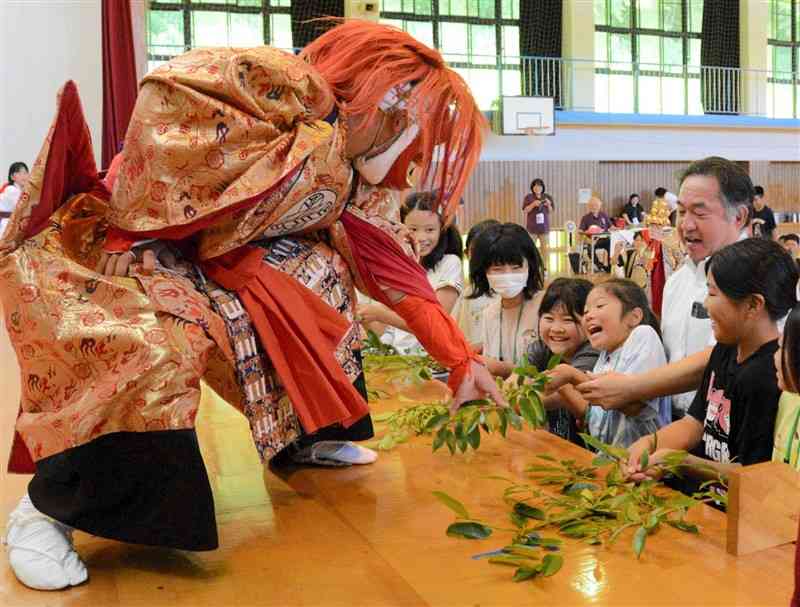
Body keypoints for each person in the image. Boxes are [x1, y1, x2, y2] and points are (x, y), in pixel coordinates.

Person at [0, 21, 505, 591]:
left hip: (213, 267)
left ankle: (305, 437)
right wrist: (131, 227)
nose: (414, 149)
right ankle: (47, 512)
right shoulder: (292, 88)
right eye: (413, 125)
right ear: (383, 100)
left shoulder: (349, 183)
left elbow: (394, 276)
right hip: (127, 250)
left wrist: (462, 360)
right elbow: (167, 94)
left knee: (323, 275)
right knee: (158, 349)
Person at [577, 157, 753, 420]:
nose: (686, 225)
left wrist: (633, 387)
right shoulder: (678, 280)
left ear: (739, 216)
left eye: (700, 212)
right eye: (682, 212)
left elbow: (719, 359)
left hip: (729, 426)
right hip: (676, 425)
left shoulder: (757, 276)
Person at [625, 239, 797, 490]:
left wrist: (681, 462)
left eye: (713, 293)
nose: (705, 304)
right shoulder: (725, 349)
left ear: (753, 305)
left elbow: (754, 474)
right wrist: (650, 443)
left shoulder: (767, 376)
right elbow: (695, 422)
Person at [547, 278, 670, 448]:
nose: (588, 316)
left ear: (634, 317)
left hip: (645, 464)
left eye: (599, 306)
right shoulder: (605, 355)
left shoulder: (642, 336)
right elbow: (598, 413)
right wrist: (565, 387)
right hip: (612, 461)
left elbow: (635, 405)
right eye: (585, 311)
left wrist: (572, 375)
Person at [358, 192, 464, 354]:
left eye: (430, 230)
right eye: (413, 229)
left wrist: (380, 314)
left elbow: (434, 326)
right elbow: (383, 331)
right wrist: (367, 318)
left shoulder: (449, 263)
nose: (421, 237)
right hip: (397, 360)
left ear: (442, 230)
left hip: (435, 359)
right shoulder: (395, 266)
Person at [523, 278, 598, 445]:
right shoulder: (540, 349)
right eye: (549, 318)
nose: (556, 329)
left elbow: (556, 397)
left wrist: (511, 399)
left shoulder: (592, 352)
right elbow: (515, 382)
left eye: (568, 320)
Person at [470, 223, 544, 378]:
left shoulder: (545, 306)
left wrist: (501, 368)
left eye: (516, 267)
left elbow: (550, 371)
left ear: (529, 266)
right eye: (497, 269)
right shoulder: (490, 314)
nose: (508, 275)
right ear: (484, 272)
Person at [456, 219, 500, 347]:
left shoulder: (509, 289)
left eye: (489, 252)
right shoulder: (469, 293)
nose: (483, 259)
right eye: (476, 253)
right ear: (466, 254)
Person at [521, 178, 554, 267]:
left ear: (543, 187)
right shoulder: (528, 197)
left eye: (539, 186)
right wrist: (533, 204)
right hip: (532, 228)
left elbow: (551, 211)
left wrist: (549, 204)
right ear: (532, 188)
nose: (537, 188)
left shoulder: (547, 197)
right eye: (535, 186)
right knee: (530, 249)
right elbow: (525, 210)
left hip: (544, 228)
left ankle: (545, 268)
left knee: (545, 250)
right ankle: (531, 267)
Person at [579, 197, 612, 272]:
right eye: (592, 205)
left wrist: (617, 228)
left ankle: (610, 267)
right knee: (590, 248)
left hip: (604, 239)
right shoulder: (585, 218)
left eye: (596, 205)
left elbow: (611, 226)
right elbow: (580, 231)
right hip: (592, 241)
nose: (594, 207)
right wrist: (586, 232)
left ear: (599, 206)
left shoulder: (604, 215)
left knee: (611, 244)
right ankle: (600, 266)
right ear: (589, 207)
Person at [0, 162, 29, 235]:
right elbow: (23, 208)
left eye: (25, 173)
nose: (23, 176)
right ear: (12, 177)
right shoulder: (11, 189)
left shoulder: (21, 190)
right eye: (19, 173)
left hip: (12, 223)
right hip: (5, 224)